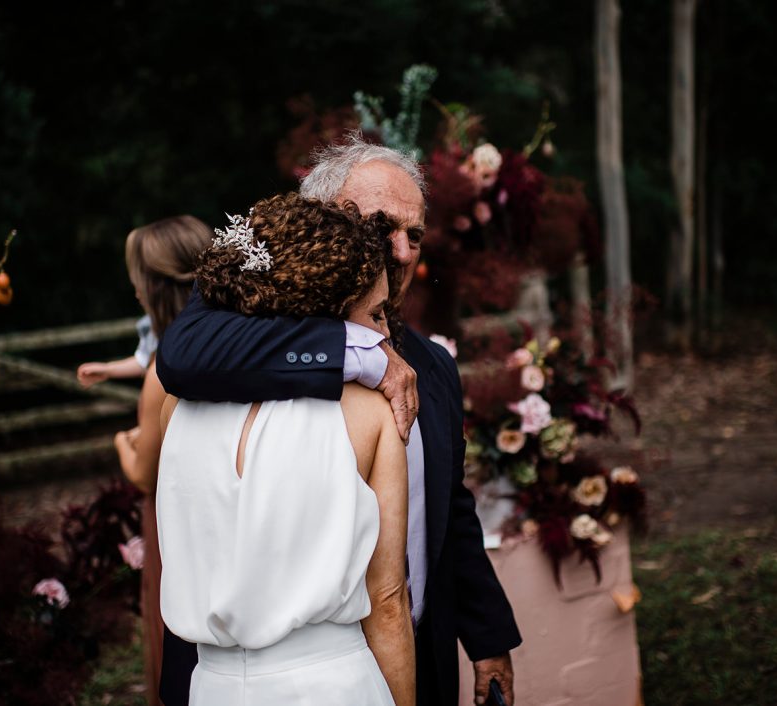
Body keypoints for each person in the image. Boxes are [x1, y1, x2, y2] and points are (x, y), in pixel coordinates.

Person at [156, 135, 521, 706]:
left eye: (415, 235)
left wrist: (489, 638)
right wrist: (355, 349)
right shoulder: (228, 344)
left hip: (410, 656)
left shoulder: (433, 366)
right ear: (323, 223)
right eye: (383, 228)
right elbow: (179, 354)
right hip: (271, 667)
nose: (402, 251)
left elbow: (448, 510)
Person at [157, 193, 415, 705]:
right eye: (378, 314)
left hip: (212, 687)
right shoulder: (367, 415)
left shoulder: (176, 409)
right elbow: (387, 602)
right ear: (329, 316)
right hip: (334, 685)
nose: (385, 334)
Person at [109, 214, 213, 705]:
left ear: (154, 287)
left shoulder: (161, 370)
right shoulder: (228, 349)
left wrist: (123, 443)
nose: (134, 294)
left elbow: (144, 475)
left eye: (137, 283)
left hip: (178, 531)